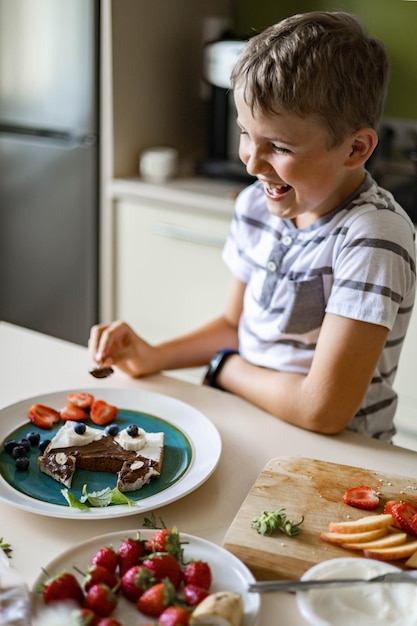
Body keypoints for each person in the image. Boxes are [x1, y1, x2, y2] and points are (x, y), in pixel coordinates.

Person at [89, 11, 416, 441]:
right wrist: (152, 356)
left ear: (356, 148)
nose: (252, 161)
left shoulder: (372, 236)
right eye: (246, 133)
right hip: (253, 422)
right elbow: (235, 326)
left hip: (336, 455)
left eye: (279, 147)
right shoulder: (258, 206)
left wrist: (225, 368)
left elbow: (323, 410)